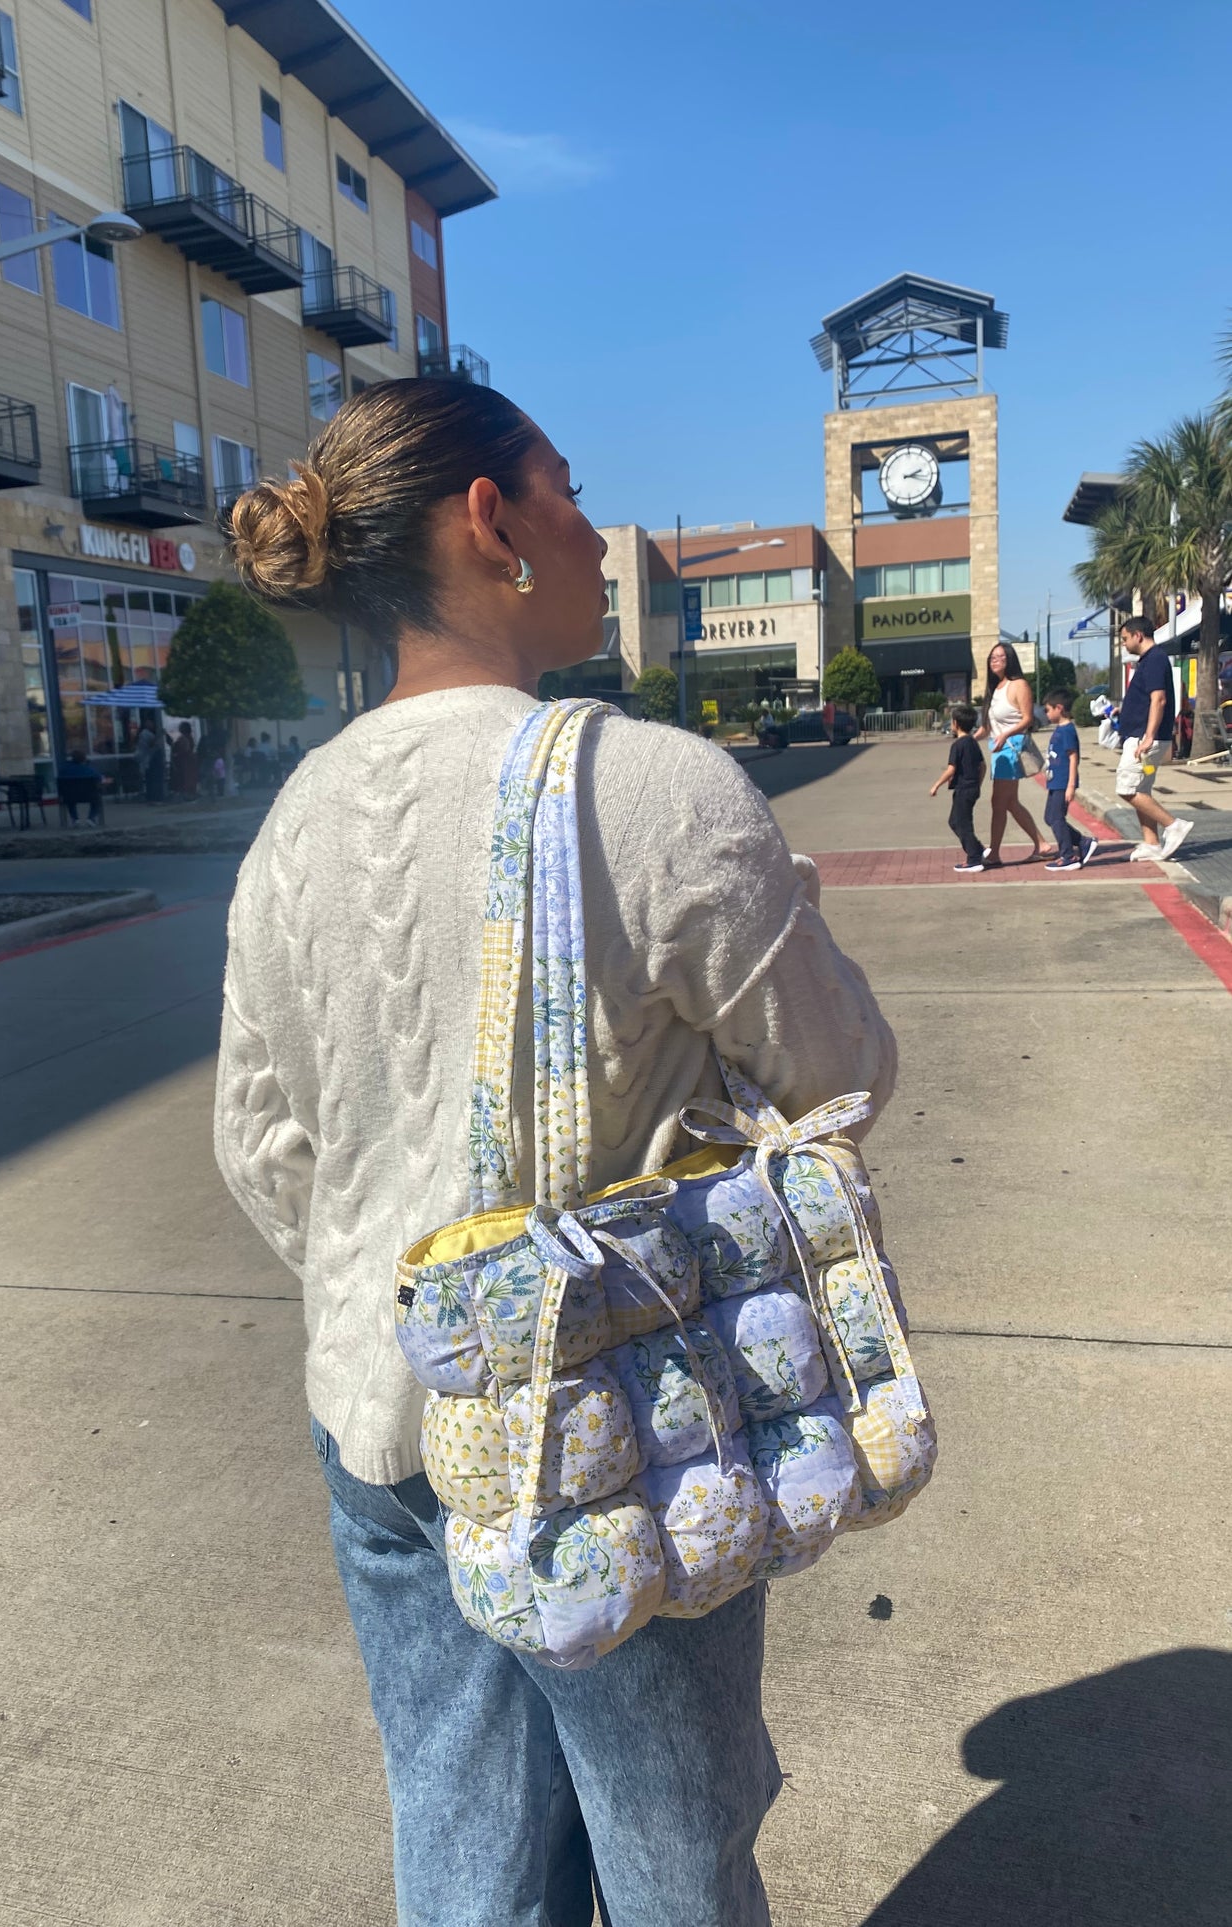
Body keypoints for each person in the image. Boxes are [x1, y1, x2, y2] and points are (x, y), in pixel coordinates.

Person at [211, 378, 898, 1926]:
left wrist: (403, 1303)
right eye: (570, 489)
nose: (599, 529)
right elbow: (841, 1073)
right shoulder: (651, 790)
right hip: (611, 1416)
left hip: (376, 1423)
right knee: (671, 1854)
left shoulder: (293, 820)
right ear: (490, 521)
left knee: (462, 1845)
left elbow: (259, 1144)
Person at [1116, 617, 1192, 861]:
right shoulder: (1150, 661)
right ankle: (1152, 843)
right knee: (1141, 790)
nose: (1124, 644)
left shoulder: (1155, 660)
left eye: (1125, 639)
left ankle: (1173, 825)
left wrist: (1148, 736)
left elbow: (1158, 699)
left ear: (1138, 635)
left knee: (1127, 789)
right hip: (1140, 735)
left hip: (1144, 738)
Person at [976, 641, 1055, 865]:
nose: (996, 661)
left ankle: (994, 853)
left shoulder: (1018, 685)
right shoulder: (995, 689)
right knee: (1008, 802)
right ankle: (1041, 844)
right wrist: (968, 741)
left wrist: (1005, 735)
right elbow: (987, 726)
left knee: (999, 802)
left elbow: (1027, 719)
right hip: (998, 750)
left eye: (1001, 657)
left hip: (1011, 748)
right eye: (992, 657)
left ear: (1010, 660)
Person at [1040, 690, 1097, 872]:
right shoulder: (1060, 729)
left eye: (1048, 710)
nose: (1046, 714)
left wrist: (1071, 785)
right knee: (1050, 817)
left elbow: (1073, 758)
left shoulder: (1067, 730)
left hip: (1063, 782)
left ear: (1059, 708)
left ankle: (1068, 855)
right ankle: (1082, 841)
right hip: (1055, 782)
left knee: (1057, 818)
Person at [929, 704, 986, 873]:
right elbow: (982, 766)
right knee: (954, 821)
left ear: (955, 723)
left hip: (963, 789)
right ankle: (978, 849)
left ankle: (974, 859)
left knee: (962, 824)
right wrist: (978, 784)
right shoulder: (973, 743)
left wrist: (936, 785)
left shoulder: (958, 745)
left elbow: (951, 769)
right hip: (972, 788)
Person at [56, 748, 103, 826]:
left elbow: (59, 781)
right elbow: (99, 778)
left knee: (70, 800)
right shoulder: (89, 770)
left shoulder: (64, 770)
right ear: (84, 759)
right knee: (97, 799)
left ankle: (75, 819)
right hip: (89, 796)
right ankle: (91, 818)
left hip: (69, 797)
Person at [135, 719, 166, 804]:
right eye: (149, 723)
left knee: (152, 780)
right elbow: (150, 745)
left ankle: (153, 798)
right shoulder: (145, 733)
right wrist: (159, 736)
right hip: (151, 761)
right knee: (153, 780)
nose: (151, 725)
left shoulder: (148, 733)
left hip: (152, 760)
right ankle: (154, 798)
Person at [170, 720, 198, 800]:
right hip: (188, 761)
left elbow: (184, 750)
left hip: (185, 762)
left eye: (181, 727)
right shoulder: (189, 737)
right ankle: (189, 793)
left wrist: (176, 754)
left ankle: (187, 794)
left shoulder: (184, 738)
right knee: (188, 778)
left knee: (185, 778)